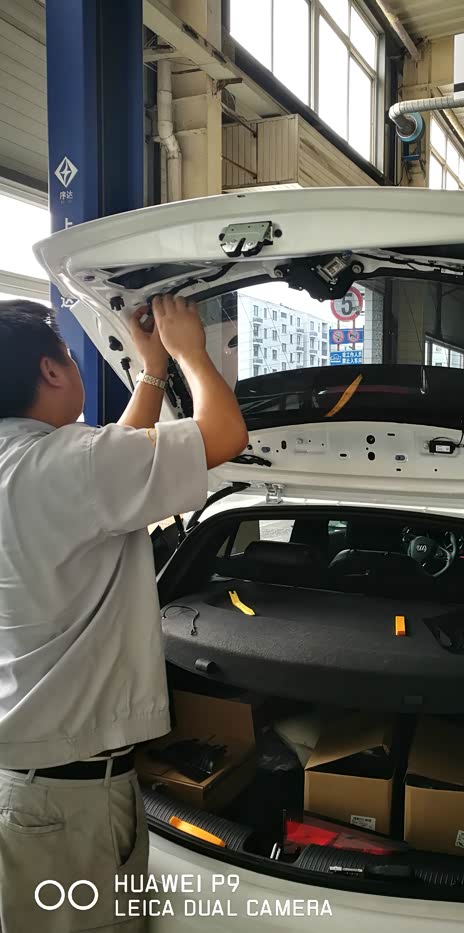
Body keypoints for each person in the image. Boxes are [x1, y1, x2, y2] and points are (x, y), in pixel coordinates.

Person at [0, 295, 248, 932]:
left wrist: (153, 371)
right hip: (67, 802)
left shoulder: (33, 464)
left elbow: (117, 462)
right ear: (51, 370)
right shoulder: (69, 463)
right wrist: (191, 352)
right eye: (67, 355)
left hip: (32, 778)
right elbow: (226, 434)